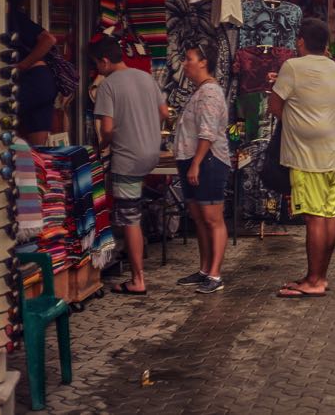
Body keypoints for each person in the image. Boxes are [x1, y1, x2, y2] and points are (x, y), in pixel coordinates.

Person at [270, 19, 335, 298]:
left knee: (314, 219)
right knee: (328, 215)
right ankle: (320, 276)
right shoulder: (334, 67)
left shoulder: (292, 66)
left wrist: (294, 121)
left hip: (308, 156)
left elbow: (274, 104)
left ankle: (313, 280)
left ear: (300, 41)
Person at [92, 37, 169, 295]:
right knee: (133, 208)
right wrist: (147, 127)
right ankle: (135, 259)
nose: (97, 69)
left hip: (127, 157)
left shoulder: (107, 86)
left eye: (97, 64)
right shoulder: (146, 77)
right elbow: (164, 111)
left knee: (130, 218)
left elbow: (108, 129)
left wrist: (103, 143)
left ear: (104, 61)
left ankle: (137, 279)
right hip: (150, 153)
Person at [174, 43, 231, 294]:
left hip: (208, 161)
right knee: (199, 218)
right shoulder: (198, 92)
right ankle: (205, 269)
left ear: (203, 62)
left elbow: (207, 132)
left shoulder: (209, 93)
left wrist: (196, 162)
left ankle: (215, 275)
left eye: (189, 59)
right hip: (193, 159)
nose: (185, 64)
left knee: (212, 218)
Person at [6, 0, 57, 146]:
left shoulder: (12, 18)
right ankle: (36, 169)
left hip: (32, 80)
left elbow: (49, 39)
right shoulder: (15, 17)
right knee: (39, 147)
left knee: (0, 117)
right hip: (43, 82)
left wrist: (21, 65)